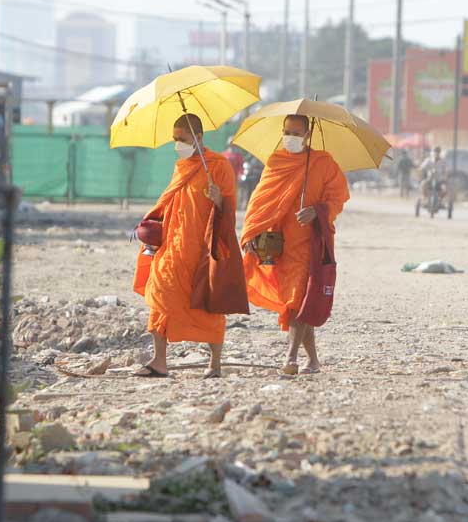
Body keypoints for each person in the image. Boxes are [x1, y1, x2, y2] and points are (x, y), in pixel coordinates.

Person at [131, 114, 240, 379]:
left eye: (182, 138)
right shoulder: (182, 167)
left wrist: (219, 200)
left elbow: (230, 211)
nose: (177, 144)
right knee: (160, 295)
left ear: (198, 138)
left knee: (208, 305)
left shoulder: (219, 166)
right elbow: (170, 202)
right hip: (173, 246)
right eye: (175, 139)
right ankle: (159, 361)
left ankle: (215, 363)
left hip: (202, 250)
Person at [241, 114, 350, 375]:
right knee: (300, 301)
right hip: (282, 243)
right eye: (287, 132)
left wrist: (317, 211)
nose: (290, 137)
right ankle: (313, 360)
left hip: (311, 243)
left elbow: (338, 199)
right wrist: (251, 233)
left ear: (307, 135)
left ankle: (290, 357)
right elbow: (260, 202)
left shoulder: (323, 163)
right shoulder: (276, 162)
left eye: (296, 133)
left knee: (298, 298)